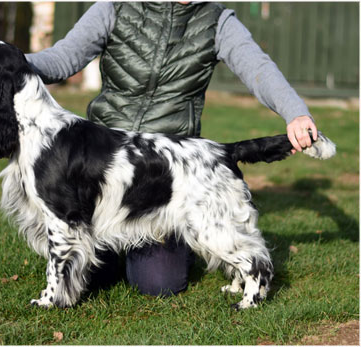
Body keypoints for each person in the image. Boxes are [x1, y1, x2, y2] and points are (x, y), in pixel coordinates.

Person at [25, 2, 318, 297]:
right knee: (93, 275)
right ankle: (108, 248)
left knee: (159, 283)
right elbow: (63, 58)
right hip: (104, 165)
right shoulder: (115, 7)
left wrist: (295, 112)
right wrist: (9, 64)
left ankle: (188, 243)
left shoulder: (216, 20)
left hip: (166, 174)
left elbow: (258, 68)